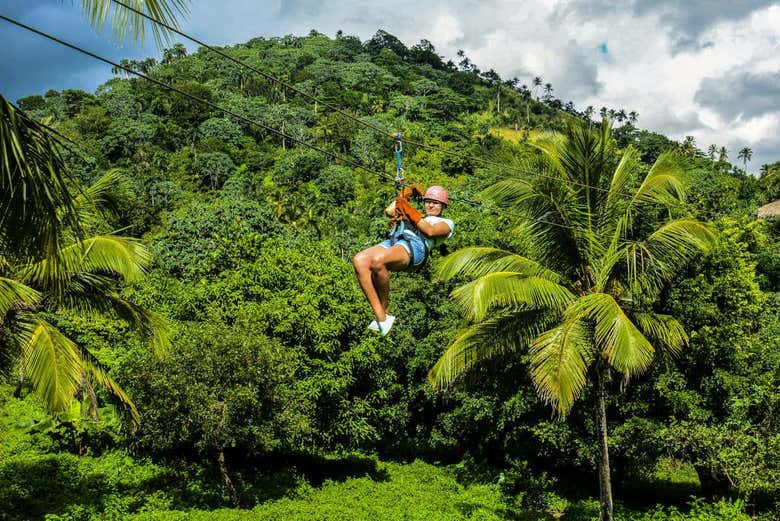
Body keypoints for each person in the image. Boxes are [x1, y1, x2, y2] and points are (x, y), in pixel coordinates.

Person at [353, 185, 454, 335]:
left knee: (378, 261)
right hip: (397, 240)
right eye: (428, 201)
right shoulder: (419, 215)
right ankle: (381, 317)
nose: (431, 205)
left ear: (443, 206)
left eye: (436, 203)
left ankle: (384, 309)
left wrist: (408, 209)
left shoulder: (447, 223)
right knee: (359, 260)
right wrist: (404, 196)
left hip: (416, 247)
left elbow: (430, 231)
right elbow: (390, 211)